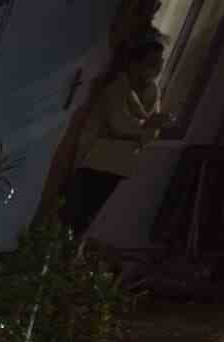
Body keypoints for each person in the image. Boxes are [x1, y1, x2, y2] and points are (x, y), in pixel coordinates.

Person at [62, 30, 171, 239]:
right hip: (95, 160)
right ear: (134, 63)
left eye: (159, 64)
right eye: (151, 63)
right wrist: (147, 126)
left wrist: (147, 128)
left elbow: (151, 133)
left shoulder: (152, 90)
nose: (156, 70)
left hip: (121, 162)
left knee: (93, 216)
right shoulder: (116, 88)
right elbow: (120, 125)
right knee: (77, 213)